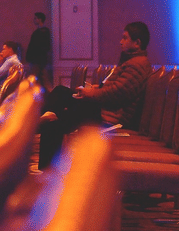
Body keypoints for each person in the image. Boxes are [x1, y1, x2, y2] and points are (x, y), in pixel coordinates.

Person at [38, 22, 152, 169]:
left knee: (57, 123)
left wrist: (91, 93)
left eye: (125, 38)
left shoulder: (137, 65)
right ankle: (43, 119)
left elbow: (117, 93)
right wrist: (97, 89)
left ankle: (44, 160)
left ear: (137, 43)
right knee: (61, 93)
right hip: (105, 109)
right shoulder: (132, 61)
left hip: (112, 117)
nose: (120, 42)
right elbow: (116, 88)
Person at [25, 12, 52, 88]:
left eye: (35, 18)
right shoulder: (43, 32)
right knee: (42, 78)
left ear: (40, 19)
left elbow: (36, 46)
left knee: (35, 78)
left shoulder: (41, 32)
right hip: (40, 59)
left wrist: (31, 56)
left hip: (37, 59)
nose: (34, 20)